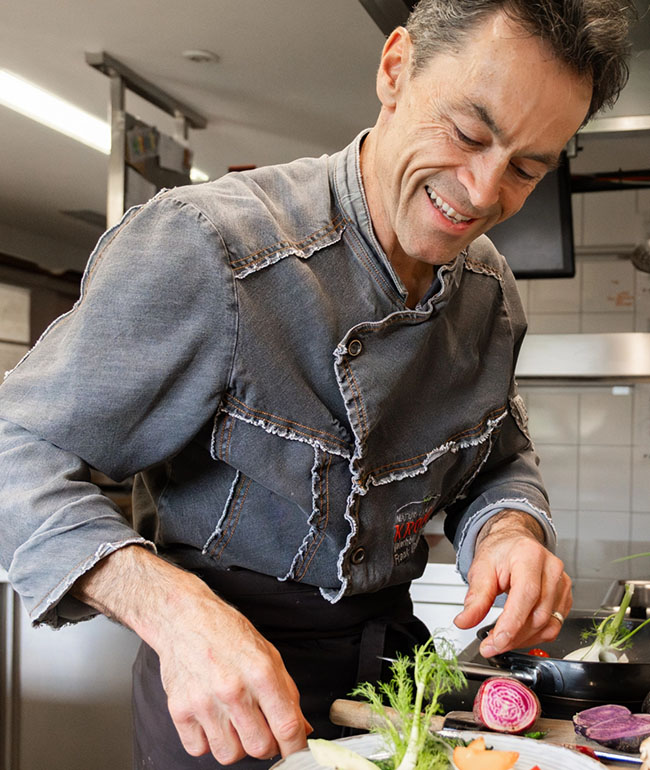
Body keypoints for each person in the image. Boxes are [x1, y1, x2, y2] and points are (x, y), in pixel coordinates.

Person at [0, 0, 635, 768]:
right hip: (223, 693)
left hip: (397, 687)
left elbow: (494, 457)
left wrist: (507, 529)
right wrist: (173, 610)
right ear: (395, 68)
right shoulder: (211, 249)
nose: (482, 192)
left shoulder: (489, 293)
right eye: (469, 134)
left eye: (528, 167)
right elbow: (15, 449)